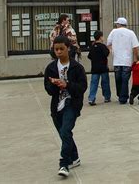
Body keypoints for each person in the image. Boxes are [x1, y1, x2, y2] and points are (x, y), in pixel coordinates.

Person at [44, 35, 88, 177]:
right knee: (64, 133)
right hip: (57, 106)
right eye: (56, 49)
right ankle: (74, 157)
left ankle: (64, 163)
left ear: (68, 49)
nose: (59, 52)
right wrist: (54, 84)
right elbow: (49, 90)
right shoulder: (51, 68)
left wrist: (67, 84)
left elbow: (82, 87)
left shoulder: (77, 67)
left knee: (65, 131)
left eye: (61, 49)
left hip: (72, 104)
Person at [106, 17, 139, 104]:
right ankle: (123, 97)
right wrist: (136, 59)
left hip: (117, 60)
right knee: (125, 79)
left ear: (119, 24)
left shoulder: (113, 32)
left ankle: (120, 95)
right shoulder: (131, 33)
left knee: (118, 79)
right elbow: (135, 47)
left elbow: (108, 43)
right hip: (127, 60)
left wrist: (112, 51)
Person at [87, 30, 111, 105]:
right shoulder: (103, 46)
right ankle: (107, 97)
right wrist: (109, 49)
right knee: (105, 83)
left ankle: (91, 98)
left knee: (94, 83)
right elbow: (106, 53)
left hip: (95, 68)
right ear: (100, 37)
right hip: (103, 67)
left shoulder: (92, 46)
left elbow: (89, 56)